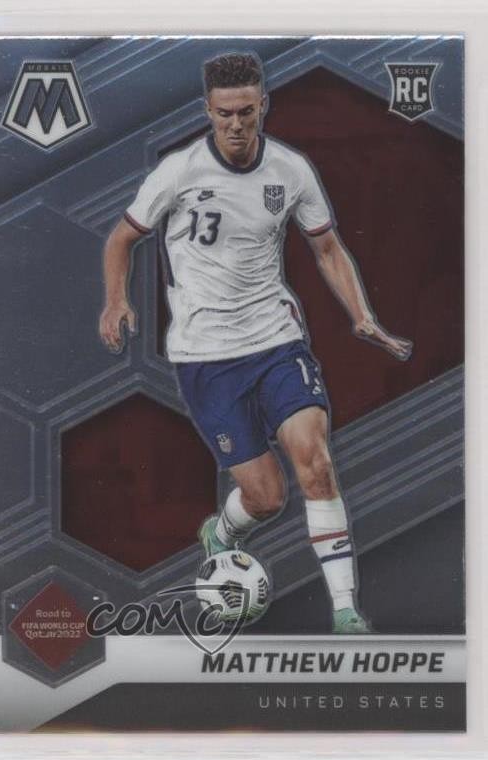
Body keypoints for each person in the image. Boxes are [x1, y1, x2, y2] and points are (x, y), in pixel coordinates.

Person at [99, 53, 412, 634]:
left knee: (315, 462)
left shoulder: (291, 171)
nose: (236, 124)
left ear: (263, 105)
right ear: (208, 111)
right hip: (205, 357)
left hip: (276, 341)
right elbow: (121, 238)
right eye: (224, 114)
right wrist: (116, 300)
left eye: (246, 111)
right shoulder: (178, 172)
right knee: (267, 497)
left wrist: (362, 314)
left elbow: (326, 248)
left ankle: (345, 610)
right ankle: (222, 532)